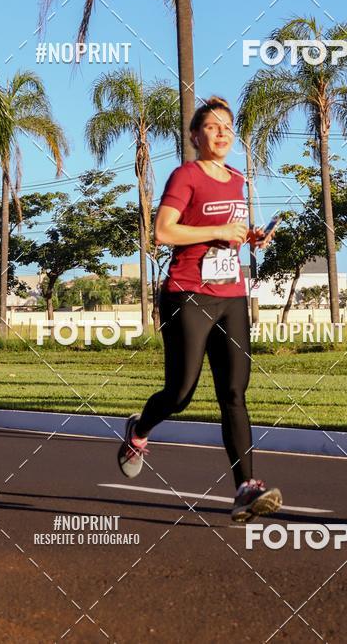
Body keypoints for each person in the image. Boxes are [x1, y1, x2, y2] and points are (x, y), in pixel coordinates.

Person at [117, 96, 283, 522]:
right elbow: (163, 231)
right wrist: (220, 228)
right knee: (181, 392)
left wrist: (249, 237)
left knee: (234, 393)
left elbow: (228, 233)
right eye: (213, 126)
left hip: (231, 295)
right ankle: (138, 430)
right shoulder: (185, 175)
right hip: (187, 294)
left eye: (228, 126)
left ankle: (245, 488)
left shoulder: (238, 178)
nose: (223, 132)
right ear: (196, 136)